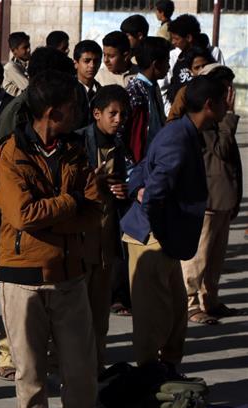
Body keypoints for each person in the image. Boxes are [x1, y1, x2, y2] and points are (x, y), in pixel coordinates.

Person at [0, 69, 119, 408]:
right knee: (29, 372)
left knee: (81, 370)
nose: (79, 115)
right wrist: (70, 203)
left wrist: (64, 211)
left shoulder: (74, 150)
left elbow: (92, 212)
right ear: (51, 112)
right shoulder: (11, 153)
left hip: (69, 275)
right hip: (22, 278)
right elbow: (23, 215)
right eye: (72, 109)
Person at [120, 76, 227, 371]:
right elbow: (153, 187)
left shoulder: (184, 132)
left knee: (176, 313)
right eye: (223, 99)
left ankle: (167, 367)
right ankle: (148, 376)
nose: (227, 105)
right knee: (152, 316)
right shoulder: (178, 138)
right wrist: (155, 223)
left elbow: (144, 168)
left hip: (164, 237)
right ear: (209, 105)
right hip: (152, 238)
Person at [75, 84, 131, 375]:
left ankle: (95, 367)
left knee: (99, 314)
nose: (118, 120)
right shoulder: (79, 143)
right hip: (82, 241)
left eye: (122, 114)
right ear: (97, 114)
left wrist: (124, 189)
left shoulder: (118, 146)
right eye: (113, 113)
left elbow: (122, 186)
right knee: (75, 313)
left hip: (106, 242)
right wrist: (92, 185)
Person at [180, 66, 240, 325]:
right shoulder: (206, 121)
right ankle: (190, 303)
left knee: (216, 258)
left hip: (223, 198)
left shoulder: (218, 120)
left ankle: (210, 300)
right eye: (225, 89)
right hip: (207, 200)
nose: (229, 95)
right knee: (198, 257)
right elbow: (222, 149)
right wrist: (228, 117)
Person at [123, 36, 170, 164]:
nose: (169, 66)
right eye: (167, 61)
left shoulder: (152, 87)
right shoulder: (136, 92)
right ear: (156, 64)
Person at [165, 14, 200, 104]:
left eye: (176, 39)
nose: (173, 42)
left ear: (188, 38)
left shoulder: (200, 60)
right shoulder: (180, 58)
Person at [74, 39, 102, 122]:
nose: (92, 65)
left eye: (96, 61)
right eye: (86, 61)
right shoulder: (68, 90)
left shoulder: (101, 92)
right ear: (76, 63)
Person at [2, 31, 29, 97]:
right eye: (25, 48)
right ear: (14, 50)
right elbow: (29, 87)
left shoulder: (24, 64)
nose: (29, 50)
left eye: (29, 46)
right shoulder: (11, 67)